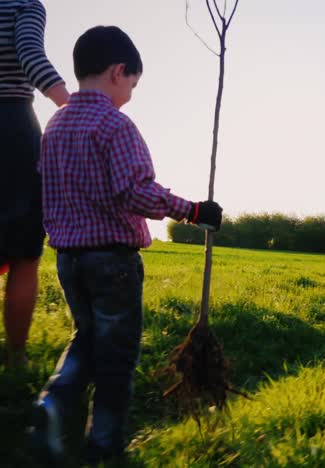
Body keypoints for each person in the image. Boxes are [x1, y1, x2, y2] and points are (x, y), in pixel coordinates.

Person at [28, 25, 223, 465]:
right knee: (115, 358)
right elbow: (136, 192)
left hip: (69, 261)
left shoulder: (55, 125)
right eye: (133, 84)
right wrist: (193, 211)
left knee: (88, 339)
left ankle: (54, 404)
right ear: (119, 72)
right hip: (112, 262)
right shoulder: (115, 125)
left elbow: (46, 187)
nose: (131, 94)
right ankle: (104, 444)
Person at [0, 0, 69, 369]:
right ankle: (15, 357)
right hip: (10, 128)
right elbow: (28, 51)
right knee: (24, 255)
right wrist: (70, 105)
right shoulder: (24, 4)